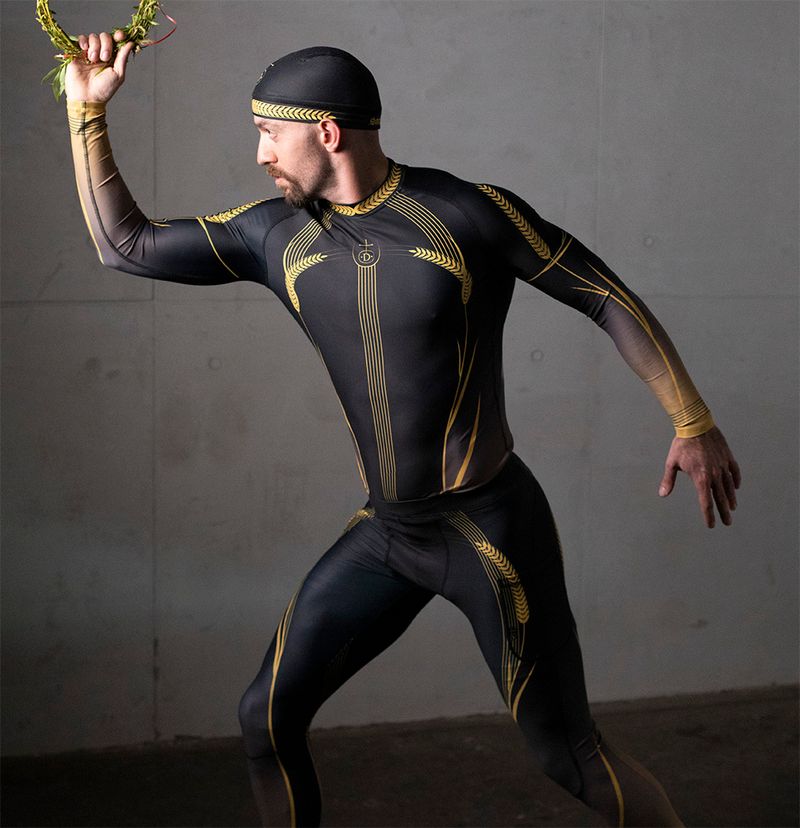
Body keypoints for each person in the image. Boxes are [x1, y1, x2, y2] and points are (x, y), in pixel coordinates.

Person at [64, 31, 740, 828]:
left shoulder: (466, 214)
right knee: (264, 719)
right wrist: (86, 110)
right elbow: (125, 246)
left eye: (270, 133)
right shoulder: (274, 236)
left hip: (491, 531)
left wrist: (692, 420)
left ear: (326, 132)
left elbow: (602, 293)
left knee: (571, 756)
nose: (259, 155)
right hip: (389, 534)